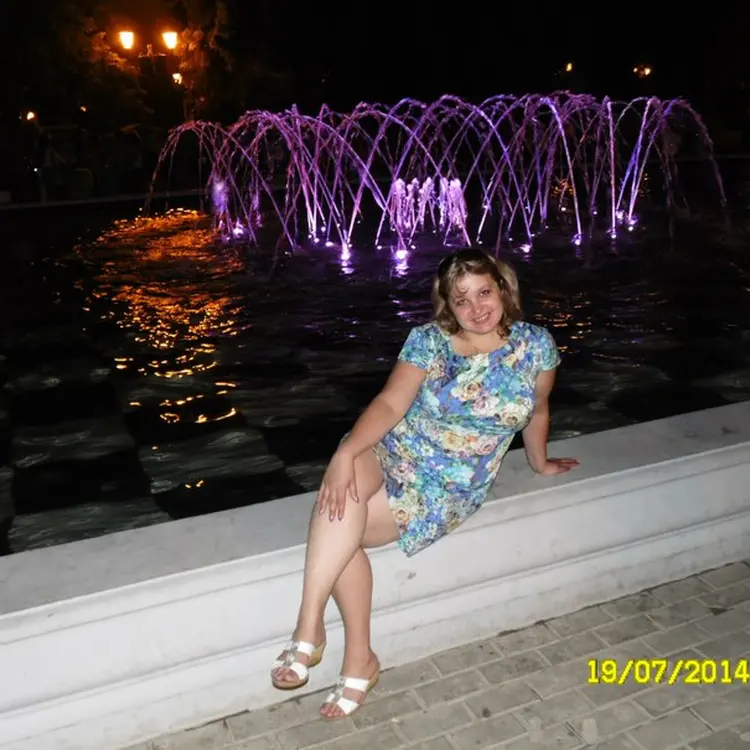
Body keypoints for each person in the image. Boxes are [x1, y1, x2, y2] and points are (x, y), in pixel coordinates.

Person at [270, 248, 580, 720]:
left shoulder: (536, 346)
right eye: (462, 299)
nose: (476, 307)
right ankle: (310, 627)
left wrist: (539, 463)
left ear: (502, 289)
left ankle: (354, 656)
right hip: (392, 448)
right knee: (343, 492)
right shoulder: (428, 341)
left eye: (484, 293)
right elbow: (390, 405)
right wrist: (345, 453)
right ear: (448, 304)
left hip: (447, 483)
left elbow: (538, 410)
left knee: (340, 529)